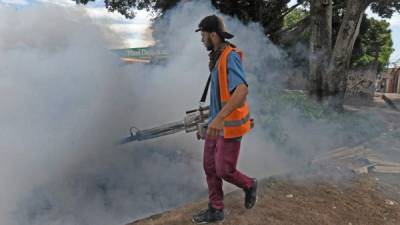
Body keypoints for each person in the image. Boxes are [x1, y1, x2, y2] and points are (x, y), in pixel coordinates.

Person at [192, 15, 257, 224]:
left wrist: (219, 118)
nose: (202, 40)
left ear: (213, 35)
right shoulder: (217, 58)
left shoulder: (230, 56)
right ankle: (216, 209)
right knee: (209, 167)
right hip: (216, 124)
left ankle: (249, 184)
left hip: (229, 126)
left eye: (203, 36)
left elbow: (241, 91)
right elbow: (219, 97)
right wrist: (207, 122)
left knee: (224, 170)